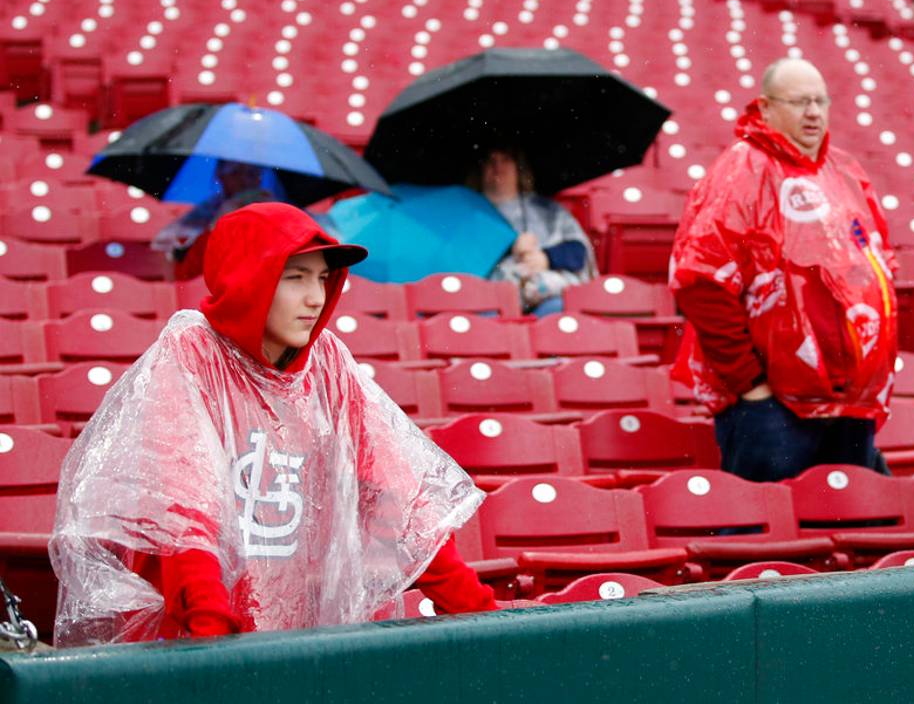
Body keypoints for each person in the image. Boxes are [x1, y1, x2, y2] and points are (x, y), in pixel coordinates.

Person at [51, 202, 496, 646]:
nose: (316, 297)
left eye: (322, 278)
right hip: (196, 646)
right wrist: (212, 635)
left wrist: (481, 615)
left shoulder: (328, 363)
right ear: (249, 278)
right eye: (295, 277)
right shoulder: (192, 353)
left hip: (307, 642)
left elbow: (397, 498)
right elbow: (183, 512)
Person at [669, 58, 898, 483]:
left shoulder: (844, 171)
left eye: (819, 101)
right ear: (766, 107)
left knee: (852, 529)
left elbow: (879, 263)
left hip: (849, 401)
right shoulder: (742, 170)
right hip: (774, 407)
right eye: (798, 102)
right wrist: (751, 385)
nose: (813, 112)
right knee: (770, 537)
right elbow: (701, 280)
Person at [474, 146, 596, 316]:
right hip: (488, 301)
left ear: (519, 167)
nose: (497, 166)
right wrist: (507, 247)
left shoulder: (549, 211)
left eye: (506, 160)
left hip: (543, 297)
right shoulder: (468, 212)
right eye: (490, 161)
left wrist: (546, 257)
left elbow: (578, 252)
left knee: (558, 312)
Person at [151, 159, 283, 280]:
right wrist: (221, 219)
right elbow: (189, 272)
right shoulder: (205, 213)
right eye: (235, 173)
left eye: (252, 174)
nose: (244, 181)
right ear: (220, 176)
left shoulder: (275, 209)